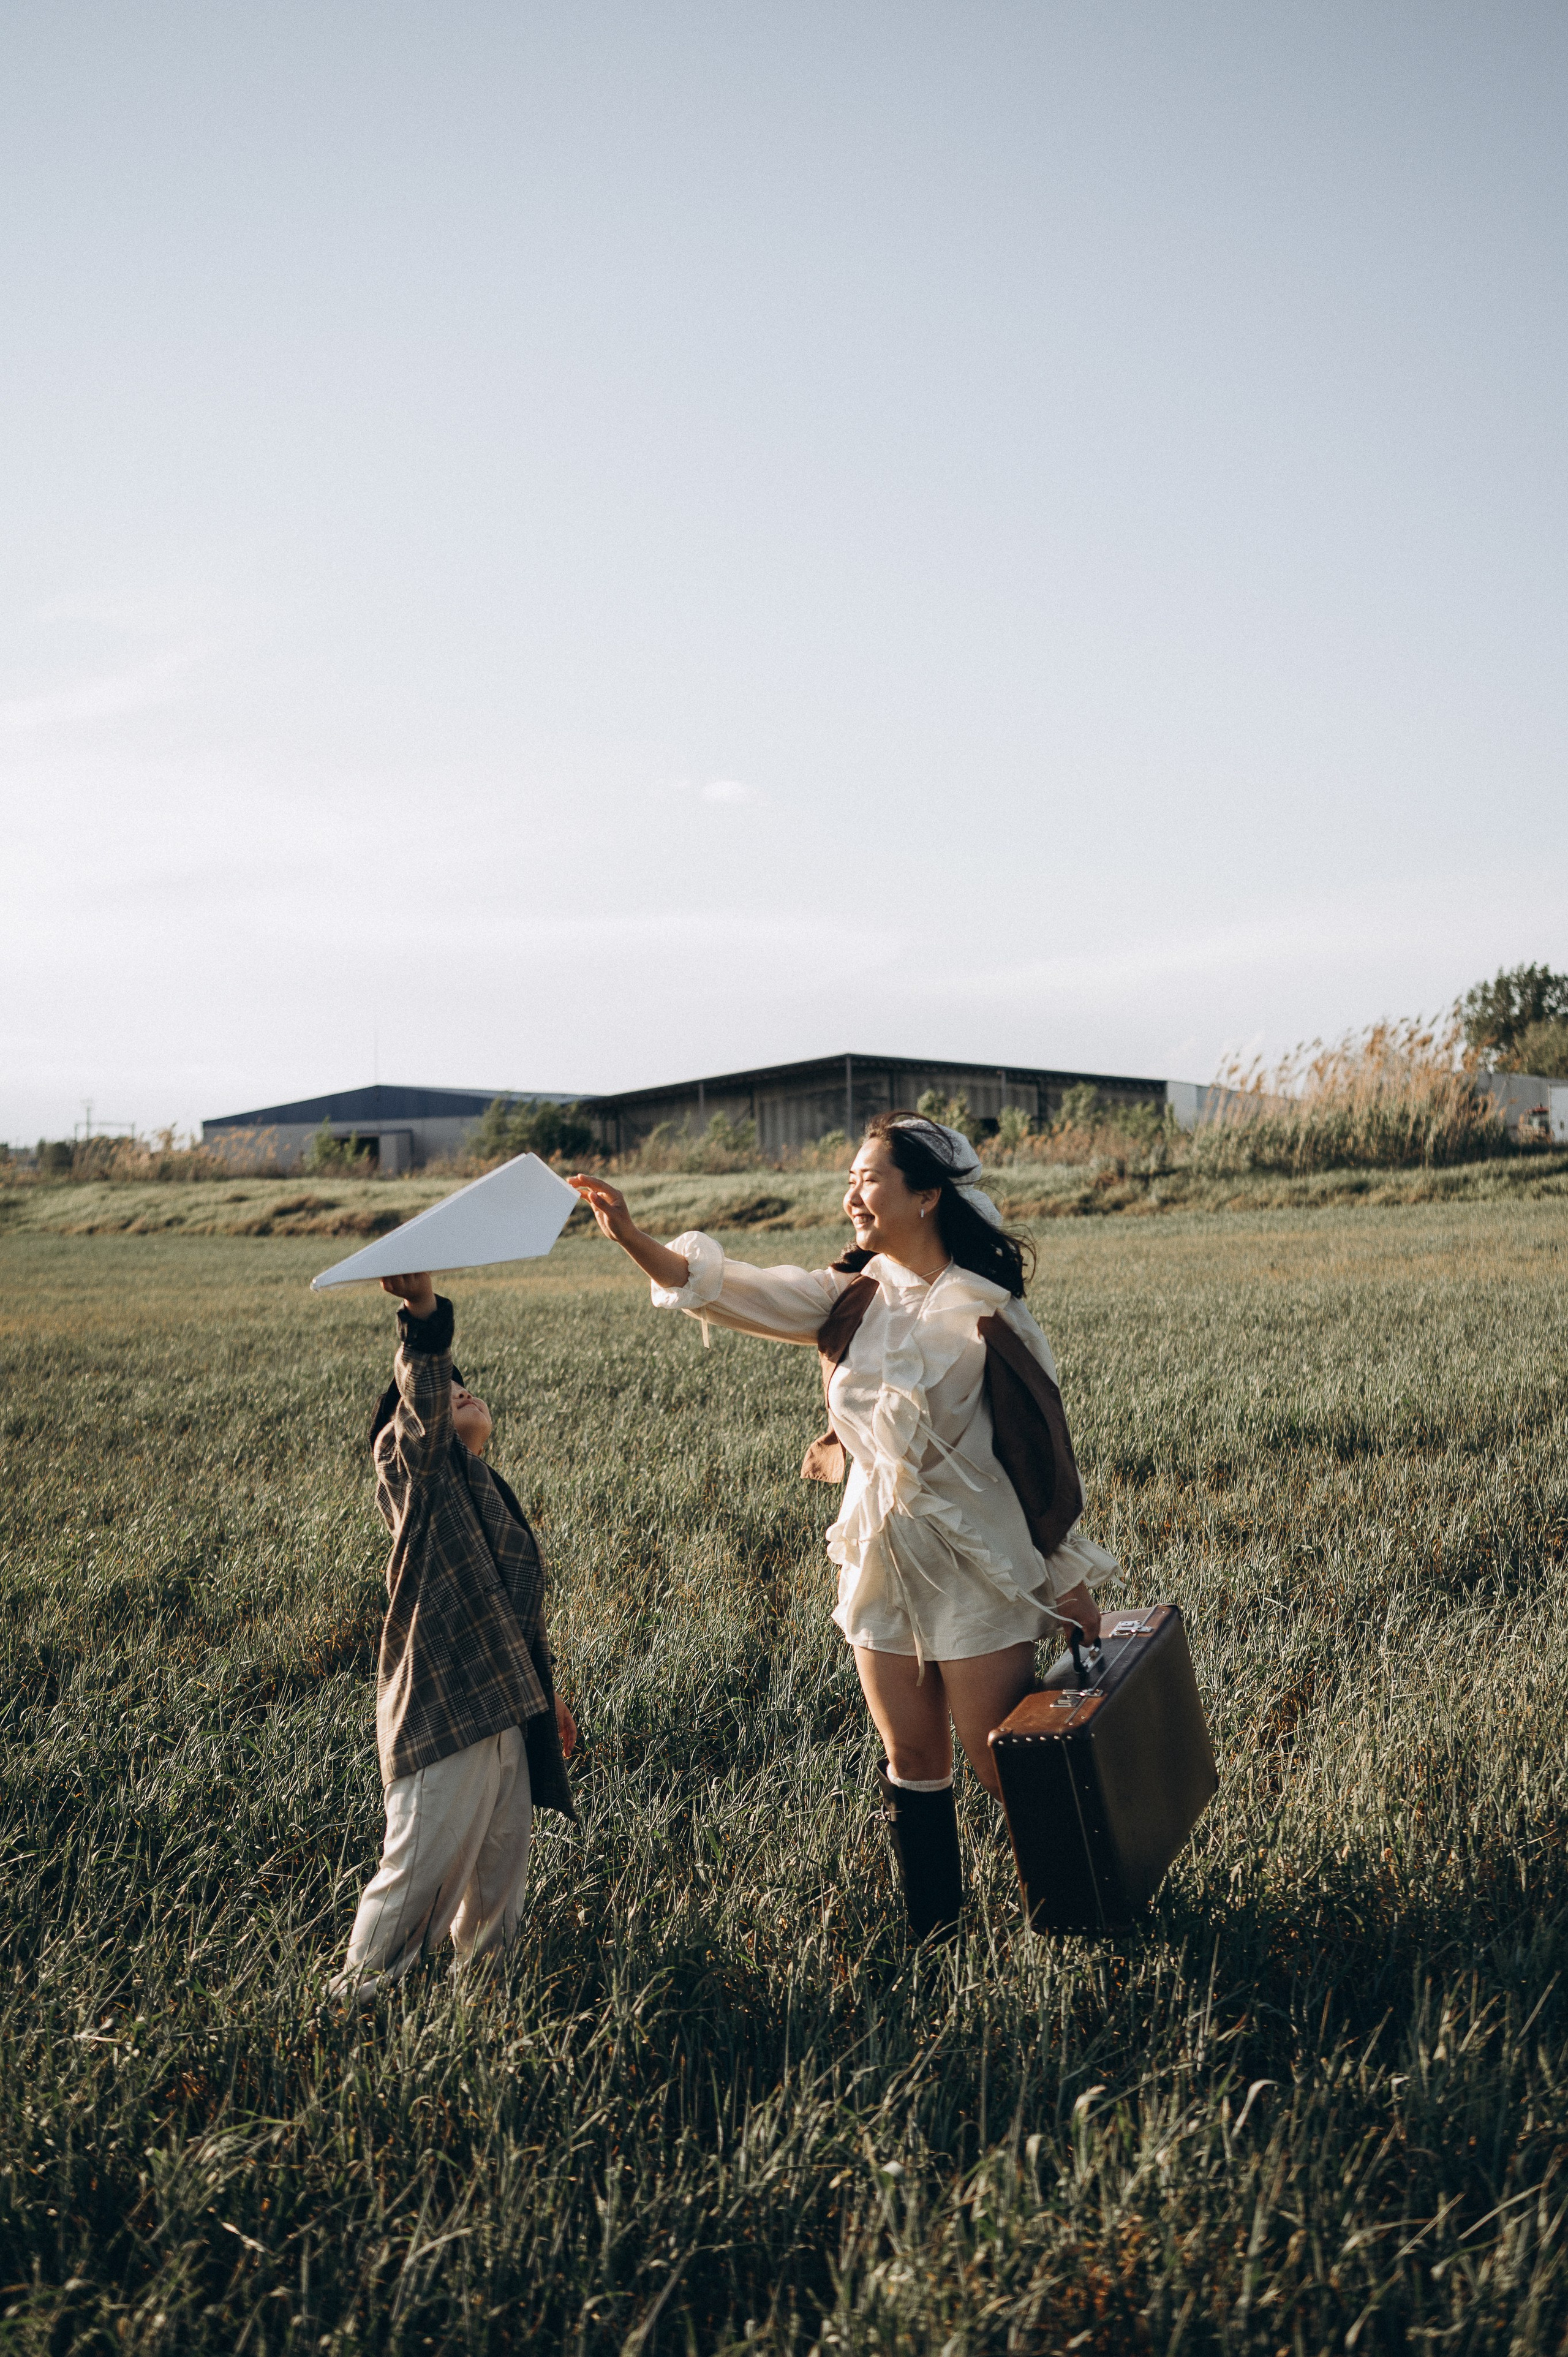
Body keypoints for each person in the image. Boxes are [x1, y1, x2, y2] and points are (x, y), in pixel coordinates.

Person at [569, 1114, 1116, 1942]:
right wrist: (628, 1234)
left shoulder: (989, 1312)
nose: (850, 1194)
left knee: (999, 1762)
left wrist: (1068, 1578)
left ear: (926, 1195)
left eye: (868, 1178)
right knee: (912, 1764)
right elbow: (725, 1285)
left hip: (978, 1560)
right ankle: (932, 1939)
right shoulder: (847, 1298)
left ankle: (1082, 1922)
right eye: (850, 1179)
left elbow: (1039, 1450)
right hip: (878, 1556)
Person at [330, 1271, 578, 2003]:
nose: (462, 1391)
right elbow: (424, 1406)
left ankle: (484, 2023)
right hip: (444, 1712)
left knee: (497, 1894)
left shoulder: (484, 1486)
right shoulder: (414, 1472)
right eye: (446, 1389)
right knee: (416, 1884)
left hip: (505, 1709)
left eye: (469, 1385)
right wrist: (422, 1312)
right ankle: (350, 2007)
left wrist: (548, 1697)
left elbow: (515, 1611)